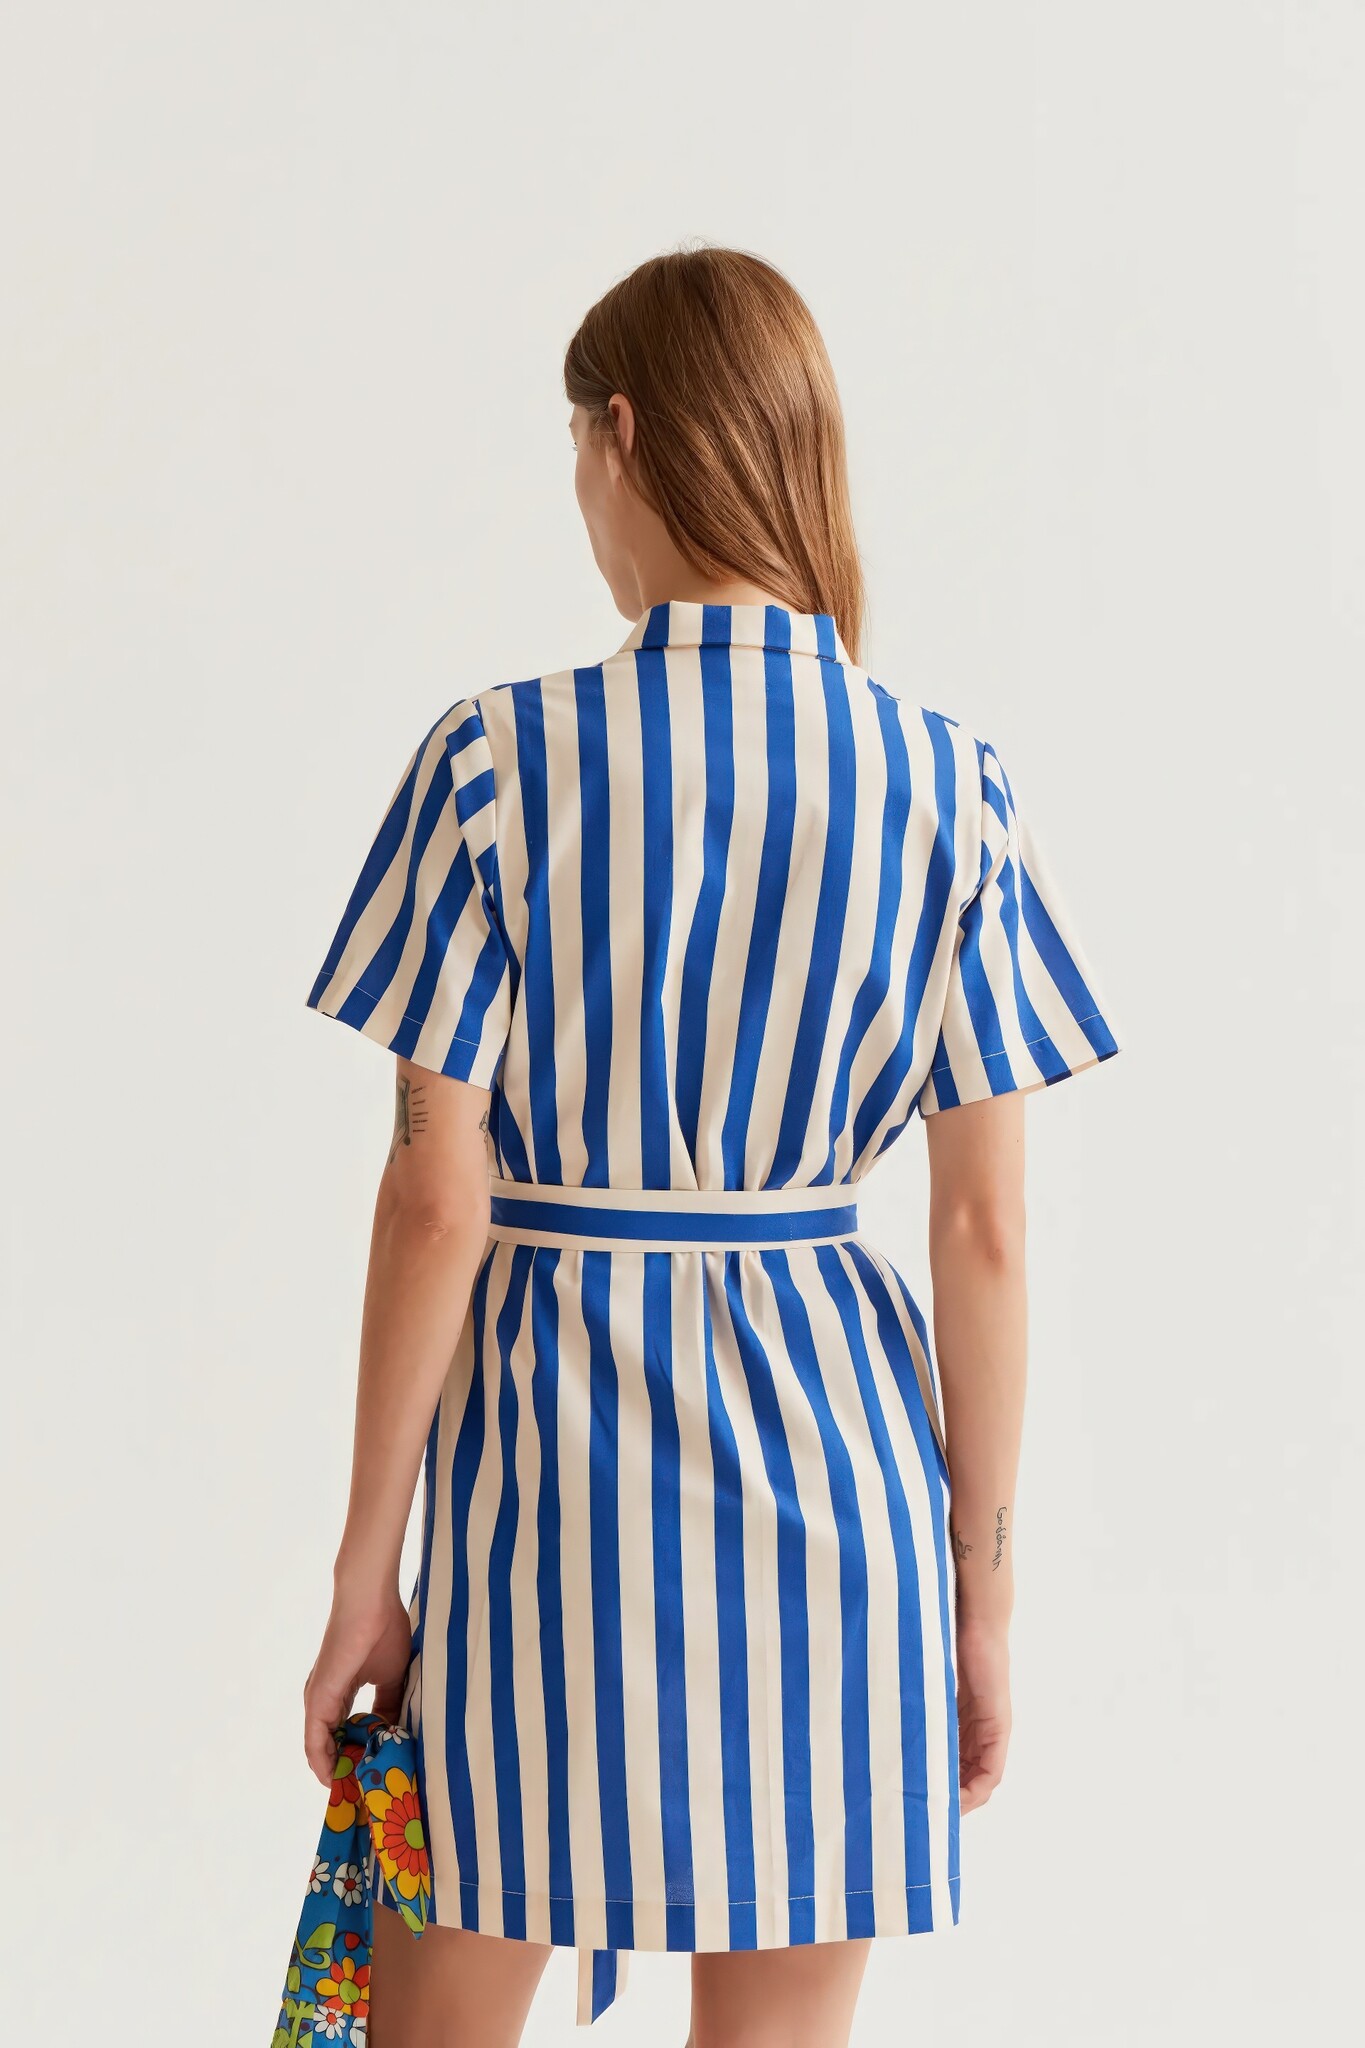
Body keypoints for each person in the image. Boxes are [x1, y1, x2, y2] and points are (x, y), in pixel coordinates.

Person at [298, 244, 1123, 2048]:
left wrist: (367, 1574)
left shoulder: (492, 765)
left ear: (618, 434)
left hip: (545, 1503)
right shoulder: (950, 786)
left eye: (571, 454)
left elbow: (435, 1198)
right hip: (842, 1494)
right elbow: (983, 1233)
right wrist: (981, 1600)